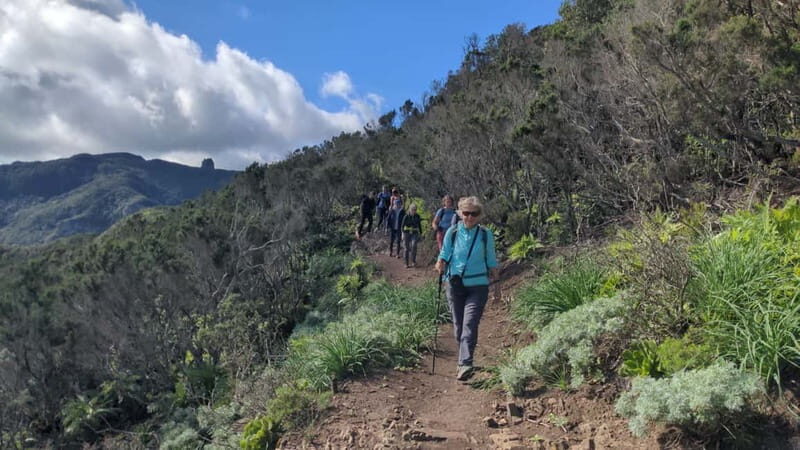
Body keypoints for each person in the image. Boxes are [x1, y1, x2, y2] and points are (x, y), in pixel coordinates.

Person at [435, 196, 499, 381]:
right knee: (458, 326)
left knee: (469, 324)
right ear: (460, 213)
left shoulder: (485, 235)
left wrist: (497, 285)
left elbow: (492, 260)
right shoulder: (452, 233)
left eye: (474, 213)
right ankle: (463, 358)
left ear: (479, 215)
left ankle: (465, 363)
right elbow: (445, 253)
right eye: (466, 213)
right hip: (455, 284)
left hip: (478, 286)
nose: (470, 217)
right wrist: (440, 263)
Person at [401, 204, 422, 268]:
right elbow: (402, 226)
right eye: (412, 209)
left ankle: (413, 261)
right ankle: (406, 263)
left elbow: (419, 225)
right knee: (406, 248)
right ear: (410, 210)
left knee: (414, 245)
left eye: (415, 210)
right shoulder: (406, 216)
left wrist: (421, 233)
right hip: (406, 233)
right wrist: (402, 234)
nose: (414, 211)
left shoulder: (417, 216)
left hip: (414, 232)